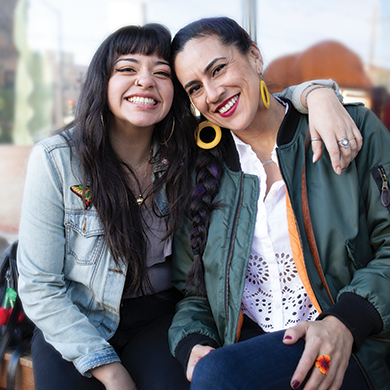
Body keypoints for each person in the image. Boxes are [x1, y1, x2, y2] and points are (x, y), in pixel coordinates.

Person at [17, 23, 360, 390]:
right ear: (102, 81)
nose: (145, 81)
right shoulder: (57, 160)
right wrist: (107, 368)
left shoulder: (189, 151)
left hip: (158, 315)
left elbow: (254, 103)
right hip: (75, 319)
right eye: (127, 69)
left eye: (161, 73)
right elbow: (40, 287)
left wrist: (317, 95)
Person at [168, 17, 390, 390]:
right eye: (195, 87)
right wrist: (193, 341)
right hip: (251, 343)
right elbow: (192, 290)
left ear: (254, 56)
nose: (212, 93)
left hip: (350, 340)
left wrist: (344, 322)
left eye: (218, 69)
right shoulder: (203, 171)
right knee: (212, 372)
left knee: (219, 377)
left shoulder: (350, 129)